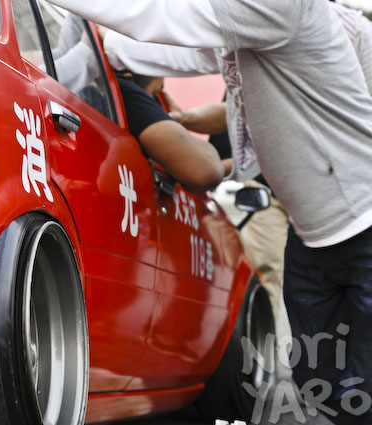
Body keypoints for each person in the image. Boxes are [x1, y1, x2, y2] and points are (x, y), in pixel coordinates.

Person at [47, 1, 372, 424]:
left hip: (364, 227)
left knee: (360, 385)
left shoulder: (281, 6)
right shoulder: (240, 28)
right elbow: (158, 47)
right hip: (309, 237)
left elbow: (158, 19)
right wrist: (96, 53)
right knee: (323, 382)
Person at [117, 72, 224, 194]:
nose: (153, 104)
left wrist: (181, 118)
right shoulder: (126, 92)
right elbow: (205, 171)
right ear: (129, 80)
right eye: (155, 94)